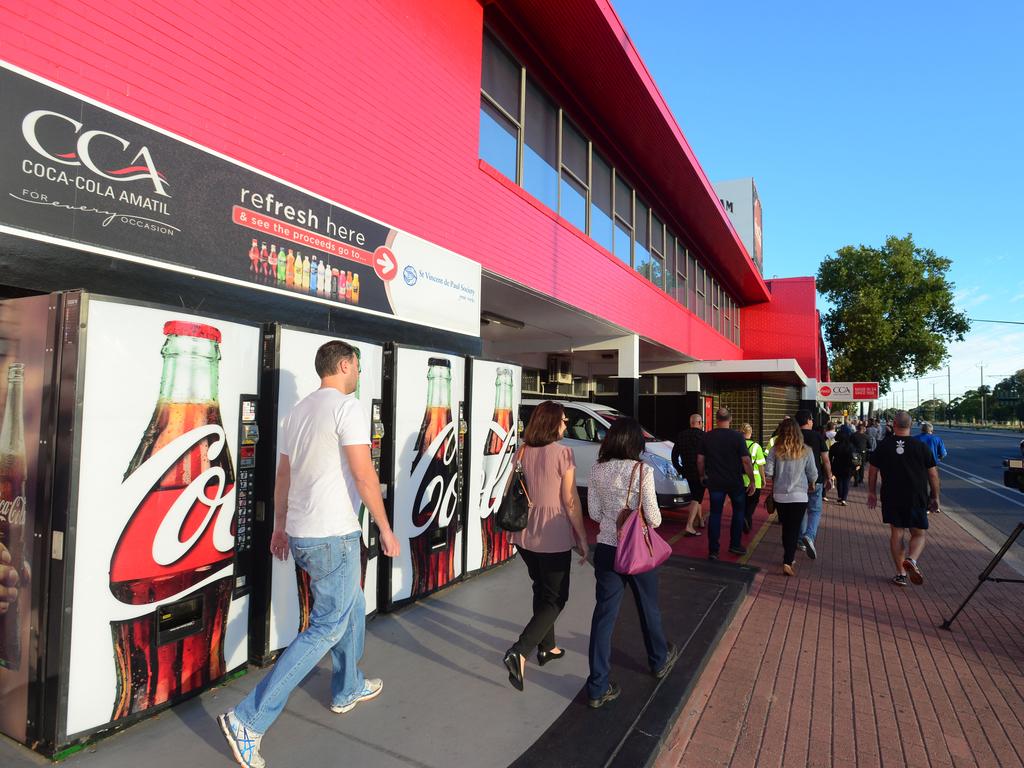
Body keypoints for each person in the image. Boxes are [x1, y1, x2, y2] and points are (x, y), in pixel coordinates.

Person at [219, 341, 400, 768]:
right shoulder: (346, 407)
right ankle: (249, 720)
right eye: (357, 365)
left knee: (351, 608)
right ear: (343, 365)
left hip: (304, 534)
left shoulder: (297, 412)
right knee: (325, 628)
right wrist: (386, 530)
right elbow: (364, 474)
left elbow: (283, 475)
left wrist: (280, 526)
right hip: (333, 535)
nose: (359, 373)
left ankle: (347, 686)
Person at [586, 417, 679, 709]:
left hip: (606, 550)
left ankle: (598, 686)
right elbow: (654, 518)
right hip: (637, 551)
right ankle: (658, 660)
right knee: (648, 607)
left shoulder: (597, 470)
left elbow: (594, 512)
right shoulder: (642, 471)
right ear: (635, 443)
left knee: (604, 616)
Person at [503, 401, 589, 692]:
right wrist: (582, 537)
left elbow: (509, 490)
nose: (566, 425)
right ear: (552, 423)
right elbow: (570, 500)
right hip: (552, 534)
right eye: (563, 420)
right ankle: (520, 650)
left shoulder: (523, 450)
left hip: (524, 533)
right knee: (556, 598)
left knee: (542, 589)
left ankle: (547, 647)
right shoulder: (564, 453)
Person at [868, 410, 941, 587]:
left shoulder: (884, 445)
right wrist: (935, 496)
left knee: (897, 532)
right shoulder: (920, 446)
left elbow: (873, 470)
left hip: (892, 494)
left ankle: (901, 573)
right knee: (918, 533)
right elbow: (932, 474)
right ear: (911, 424)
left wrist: (871, 492)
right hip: (916, 495)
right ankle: (912, 559)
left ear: (893, 424)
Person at [697, 408, 756, 560]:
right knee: (738, 512)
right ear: (730, 419)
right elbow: (746, 461)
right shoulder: (737, 437)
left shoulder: (707, 436)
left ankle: (713, 550)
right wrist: (752, 480)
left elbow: (700, 460)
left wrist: (702, 475)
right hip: (735, 482)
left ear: (716, 420)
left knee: (715, 513)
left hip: (715, 482)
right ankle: (735, 544)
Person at [764, 420, 817, 576]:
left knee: (786, 527)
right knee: (794, 528)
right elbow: (813, 473)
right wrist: (812, 483)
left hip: (780, 495)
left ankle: (788, 556)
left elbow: (768, 472)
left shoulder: (775, 450)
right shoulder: (806, 450)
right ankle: (788, 560)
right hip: (799, 495)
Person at [795, 409, 832, 560]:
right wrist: (829, 477)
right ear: (809, 420)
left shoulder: (794, 437)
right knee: (815, 510)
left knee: (801, 510)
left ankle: (800, 540)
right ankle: (809, 535)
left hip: (797, 480)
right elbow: (826, 459)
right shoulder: (818, 436)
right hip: (815, 479)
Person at [671, 413, 706, 536]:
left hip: (687, 471)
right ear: (700, 423)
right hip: (701, 472)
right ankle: (689, 525)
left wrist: (680, 469)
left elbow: (674, 456)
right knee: (697, 498)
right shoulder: (703, 436)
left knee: (697, 496)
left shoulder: (681, 436)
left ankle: (700, 520)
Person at [740, 423, 766, 533]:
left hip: (740, 480)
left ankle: (744, 522)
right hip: (755, 480)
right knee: (752, 503)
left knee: (742, 503)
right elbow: (760, 466)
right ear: (750, 433)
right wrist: (763, 479)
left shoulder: (737, 444)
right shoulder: (756, 447)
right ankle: (747, 519)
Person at [828, 431, 855, 506]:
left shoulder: (834, 446)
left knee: (839, 481)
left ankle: (840, 496)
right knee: (846, 482)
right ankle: (844, 499)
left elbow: (830, 457)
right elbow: (855, 456)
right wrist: (856, 466)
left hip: (837, 466)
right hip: (848, 467)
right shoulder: (851, 446)